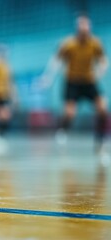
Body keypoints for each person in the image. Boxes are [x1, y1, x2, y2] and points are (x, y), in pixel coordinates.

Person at [40, 14, 108, 153]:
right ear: (77, 29)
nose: (84, 30)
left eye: (86, 26)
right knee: (70, 112)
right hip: (72, 81)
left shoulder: (95, 43)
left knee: (102, 108)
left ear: (90, 28)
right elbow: (56, 61)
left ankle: (100, 139)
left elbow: (103, 60)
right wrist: (48, 77)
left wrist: (100, 70)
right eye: (81, 26)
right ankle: (63, 130)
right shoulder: (68, 44)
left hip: (89, 81)